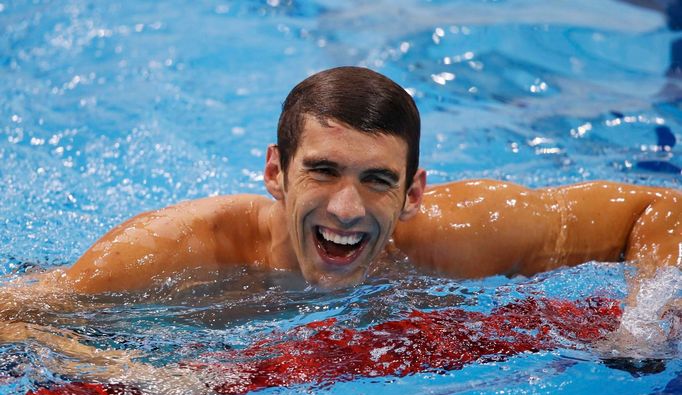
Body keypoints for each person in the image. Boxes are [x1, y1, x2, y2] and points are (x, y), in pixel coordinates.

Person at [0, 66, 680, 314]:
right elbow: (12, 313)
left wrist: (646, 319)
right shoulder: (175, 251)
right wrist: (131, 375)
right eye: (322, 171)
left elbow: (659, 207)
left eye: (377, 181)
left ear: (413, 194)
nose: (346, 210)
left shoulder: (460, 234)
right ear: (275, 173)